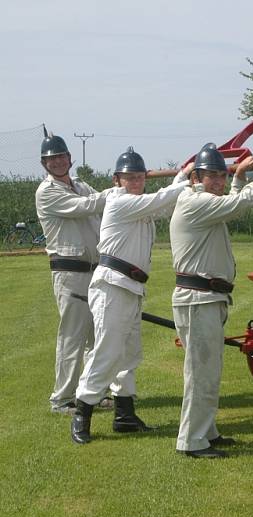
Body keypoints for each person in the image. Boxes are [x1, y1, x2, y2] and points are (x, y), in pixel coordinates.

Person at [170, 144, 253, 458]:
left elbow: (228, 204)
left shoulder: (203, 202)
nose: (218, 181)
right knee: (200, 373)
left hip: (207, 298)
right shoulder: (194, 202)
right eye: (212, 175)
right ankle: (192, 442)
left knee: (207, 371)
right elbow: (240, 204)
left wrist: (238, 176)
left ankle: (206, 433)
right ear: (196, 177)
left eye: (222, 175)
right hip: (199, 299)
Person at [70, 148, 193, 444]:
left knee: (129, 353)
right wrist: (187, 179)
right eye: (129, 177)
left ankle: (124, 415)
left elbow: (162, 205)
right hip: (112, 285)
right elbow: (160, 199)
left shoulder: (139, 206)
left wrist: (181, 176)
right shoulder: (119, 201)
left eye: (139, 177)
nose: (135, 182)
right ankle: (82, 412)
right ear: (117, 180)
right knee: (108, 351)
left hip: (131, 286)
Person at [35, 129, 113, 415]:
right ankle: (62, 399)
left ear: (69, 158)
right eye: (50, 159)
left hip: (94, 270)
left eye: (60, 157)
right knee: (72, 336)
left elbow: (101, 205)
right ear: (45, 163)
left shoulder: (80, 184)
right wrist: (119, 190)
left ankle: (91, 394)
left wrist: (123, 191)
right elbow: (88, 207)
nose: (56, 162)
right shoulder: (47, 192)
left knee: (96, 336)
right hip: (69, 272)